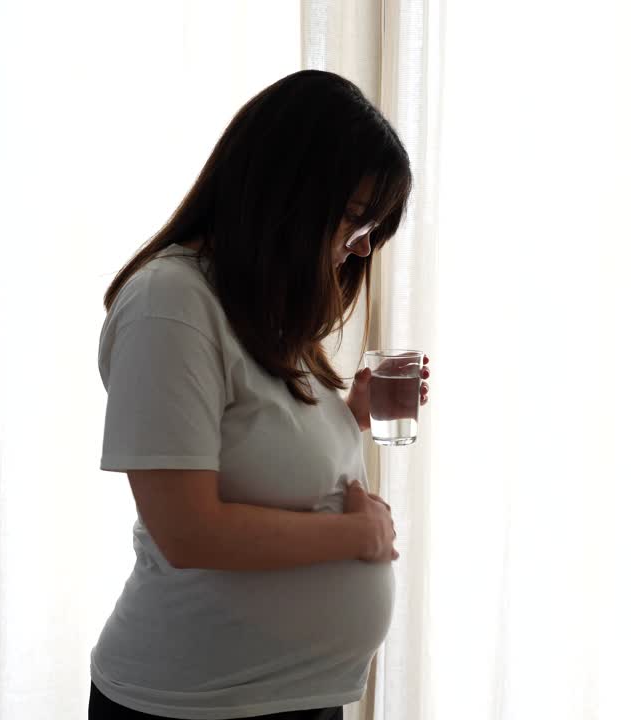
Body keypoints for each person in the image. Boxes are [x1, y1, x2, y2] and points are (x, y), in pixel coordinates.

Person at [89, 70, 431, 720]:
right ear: (289, 191)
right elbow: (188, 530)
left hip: (292, 697)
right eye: (357, 220)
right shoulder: (171, 305)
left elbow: (264, 462)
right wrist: (355, 537)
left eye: (373, 231)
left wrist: (347, 416)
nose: (359, 248)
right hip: (194, 704)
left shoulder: (260, 307)